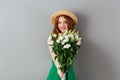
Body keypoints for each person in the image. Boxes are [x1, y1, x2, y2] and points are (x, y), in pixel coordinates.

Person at [47, 10, 78, 80]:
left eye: (65, 22)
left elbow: (72, 55)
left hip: (69, 71)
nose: (62, 25)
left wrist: (65, 70)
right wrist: (60, 70)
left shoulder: (75, 39)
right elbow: (53, 54)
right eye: (59, 22)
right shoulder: (51, 38)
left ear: (70, 23)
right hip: (56, 70)